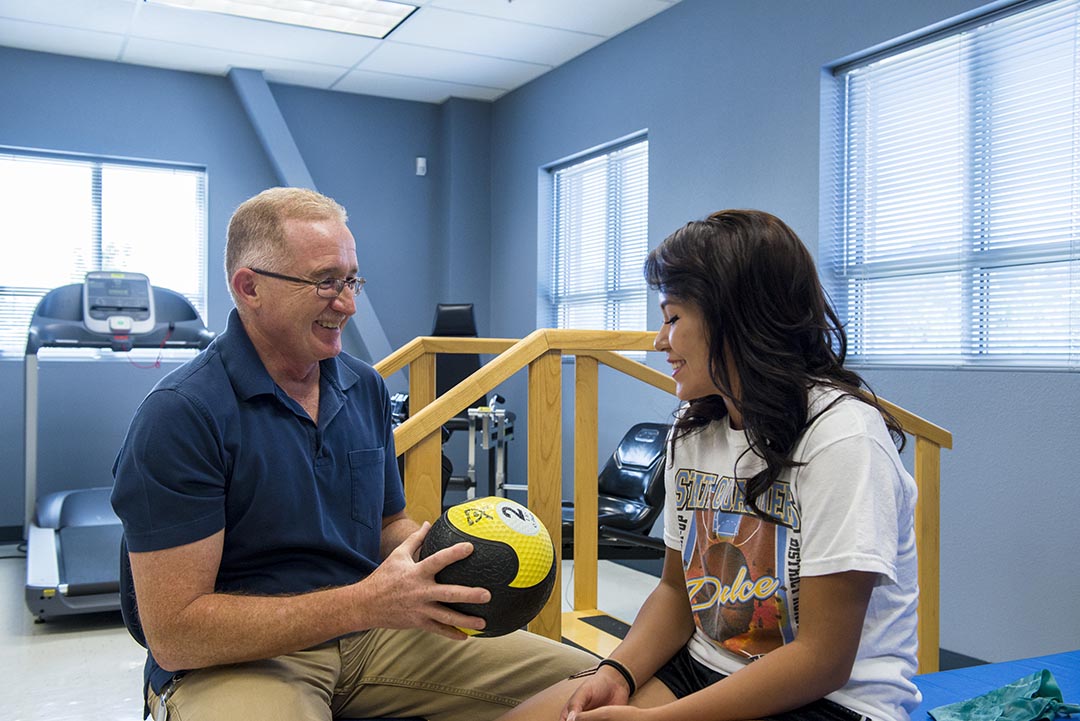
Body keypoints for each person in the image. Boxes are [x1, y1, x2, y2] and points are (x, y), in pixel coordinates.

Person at [111, 187, 595, 721]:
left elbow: (388, 522)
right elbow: (177, 633)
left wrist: (443, 558)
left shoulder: (363, 386)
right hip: (234, 661)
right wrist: (364, 602)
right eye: (324, 283)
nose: (347, 303)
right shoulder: (182, 416)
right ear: (249, 287)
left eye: (350, 280)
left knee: (590, 689)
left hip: (370, 635)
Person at [499, 209, 920, 721]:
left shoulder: (843, 437)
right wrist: (616, 672)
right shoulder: (694, 429)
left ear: (735, 320)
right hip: (705, 666)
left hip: (830, 702)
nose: (659, 340)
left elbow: (823, 659)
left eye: (673, 318)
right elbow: (677, 591)